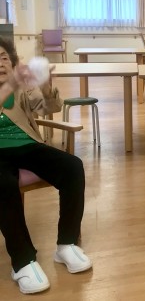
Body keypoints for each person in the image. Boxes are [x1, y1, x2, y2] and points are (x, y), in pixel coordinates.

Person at [0, 38, 92, 295]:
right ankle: (22, 261)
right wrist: (10, 85)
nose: (0, 63)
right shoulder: (13, 85)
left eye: (4, 57)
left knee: (72, 166)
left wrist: (46, 86)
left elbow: (49, 108)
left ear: (12, 62)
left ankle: (67, 244)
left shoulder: (22, 87)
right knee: (3, 184)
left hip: (27, 146)